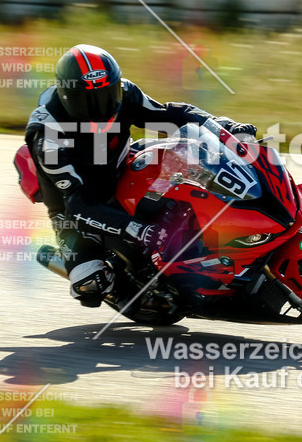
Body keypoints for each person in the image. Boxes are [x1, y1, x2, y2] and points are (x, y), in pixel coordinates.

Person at [24, 44, 255, 307]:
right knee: (89, 284)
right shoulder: (48, 135)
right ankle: (123, 287)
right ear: (66, 95)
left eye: (107, 94)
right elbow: (79, 204)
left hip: (123, 165)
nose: (101, 106)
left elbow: (170, 114)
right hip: (76, 205)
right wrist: (141, 231)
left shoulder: (126, 93)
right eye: (88, 100)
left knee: (192, 159)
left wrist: (224, 127)